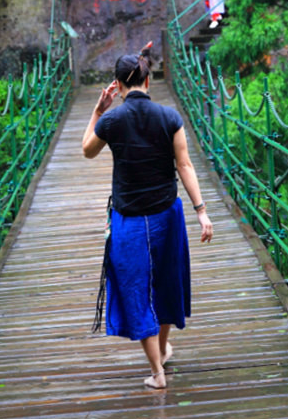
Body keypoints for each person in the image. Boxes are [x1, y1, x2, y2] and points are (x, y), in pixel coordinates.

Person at [82, 46, 213, 390]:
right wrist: (202, 212)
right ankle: (165, 348)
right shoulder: (169, 117)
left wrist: (97, 110)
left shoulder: (111, 120)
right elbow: (184, 165)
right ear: (148, 79)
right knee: (166, 284)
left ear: (117, 85)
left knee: (136, 290)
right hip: (168, 216)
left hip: (128, 222)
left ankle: (157, 371)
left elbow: (87, 150)